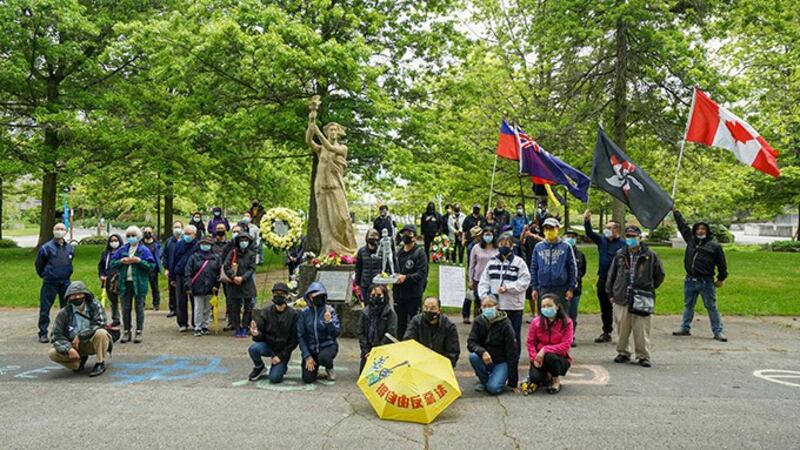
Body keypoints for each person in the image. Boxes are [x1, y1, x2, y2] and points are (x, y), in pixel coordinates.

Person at [607, 225, 665, 368]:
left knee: (641, 328)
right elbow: (612, 274)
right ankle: (623, 352)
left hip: (642, 297)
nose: (630, 239)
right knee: (622, 327)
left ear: (640, 237)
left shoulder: (650, 255)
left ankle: (643, 355)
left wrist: (649, 288)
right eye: (628, 236)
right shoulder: (620, 254)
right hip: (622, 295)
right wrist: (610, 292)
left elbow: (659, 275)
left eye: (633, 236)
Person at [478, 232, 530, 388]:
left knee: (513, 337)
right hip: (495, 307)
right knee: (492, 337)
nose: (503, 247)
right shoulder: (491, 262)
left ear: (512, 246)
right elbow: (484, 281)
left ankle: (512, 366)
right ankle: (494, 367)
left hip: (513, 306)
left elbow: (525, 280)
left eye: (506, 244)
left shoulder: (519, 262)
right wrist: (485, 297)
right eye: (501, 244)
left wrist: (508, 288)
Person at [671, 209, 729, 341]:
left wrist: (721, 279)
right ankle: (685, 328)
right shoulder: (691, 241)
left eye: (703, 229)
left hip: (706, 282)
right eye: (698, 229)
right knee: (688, 305)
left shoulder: (714, 246)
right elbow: (682, 226)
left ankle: (718, 331)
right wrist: (676, 213)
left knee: (711, 306)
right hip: (690, 280)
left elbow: (722, 265)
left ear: (707, 231)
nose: (700, 231)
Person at [48, 281, 110, 377]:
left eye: (79, 294)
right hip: (74, 346)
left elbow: (100, 323)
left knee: (101, 333)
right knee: (52, 353)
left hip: (92, 342)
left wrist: (81, 335)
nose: (77, 297)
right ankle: (77, 363)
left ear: (85, 295)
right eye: (73, 295)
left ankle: (100, 363)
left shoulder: (94, 306)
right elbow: (56, 336)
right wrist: (68, 349)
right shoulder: (64, 313)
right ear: (68, 297)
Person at [583, 210, 626, 343]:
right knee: (604, 306)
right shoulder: (602, 241)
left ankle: (623, 333)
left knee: (619, 306)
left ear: (616, 230)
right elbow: (589, 233)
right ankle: (607, 331)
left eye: (609, 228)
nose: (606, 230)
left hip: (617, 280)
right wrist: (587, 221)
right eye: (606, 228)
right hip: (603, 278)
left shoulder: (623, 245)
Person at [110, 226, 156, 343]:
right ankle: (126, 331)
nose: (131, 238)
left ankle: (139, 331)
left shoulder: (144, 250)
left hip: (139, 283)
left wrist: (139, 261)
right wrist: (121, 261)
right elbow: (112, 263)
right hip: (124, 283)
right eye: (128, 236)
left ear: (138, 236)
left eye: (133, 236)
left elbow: (151, 266)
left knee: (139, 308)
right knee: (125, 308)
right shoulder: (123, 249)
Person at [522, 293, 573, 395]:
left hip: (559, 358)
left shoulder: (567, 322)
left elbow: (566, 345)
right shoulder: (536, 322)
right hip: (539, 357)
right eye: (543, 306)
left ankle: (555, 379)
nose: (546, 309)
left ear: (557, 307)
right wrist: (534, 358)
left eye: (549, 306)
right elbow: (530, 342)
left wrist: (544, 350)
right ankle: (546, 375)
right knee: (535, 378)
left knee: (551, 357)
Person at [248, 282, 299, 383]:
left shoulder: (293, 315)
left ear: (287, 296)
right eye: (276, 293)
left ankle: (282, 366)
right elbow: (261, 335)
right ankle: (259, 367)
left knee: (274, 378)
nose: (278, 296)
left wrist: (280, 356)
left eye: (282, 293)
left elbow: (294, 341)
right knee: (253, 349)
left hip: (283, 350)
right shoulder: (266, 312)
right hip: (269, 346)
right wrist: (256, 334)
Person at [467, 296, 518, 395]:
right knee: (473, 356)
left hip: (501, 361)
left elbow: (512, 351)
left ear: (497, 306)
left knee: (493, 389)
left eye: (490, 306)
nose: (487, 309)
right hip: (486, 359)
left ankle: (488, 381)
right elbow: (471, 342)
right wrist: (482, 352)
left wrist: (513, 382)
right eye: (484, 306)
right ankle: (488, 379)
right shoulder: (478, 321)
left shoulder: (506, 324)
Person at [35, 222, 75, 343]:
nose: (60, 231)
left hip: (65, 282)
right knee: (45, 308)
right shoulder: (46, 248)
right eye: (57, 229)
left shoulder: (70, 248)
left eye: (62, 229)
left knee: (66, 308)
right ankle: (43, 332)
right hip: (50, 282)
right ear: (53, 231)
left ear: (66, 232)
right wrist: (46, 275)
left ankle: (63, 331)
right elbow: (39, 264)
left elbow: (70, 260)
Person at [530, 218, 576, 314]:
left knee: (562, 316)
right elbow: (534, 268)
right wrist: (534, 287)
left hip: (561, 288)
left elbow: (572, 268)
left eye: (551, 228)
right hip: (543, 287)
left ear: (557, 229)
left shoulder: (566, 247)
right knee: (543, 317)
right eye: (546, 229)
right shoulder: (538, 247)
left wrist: (571, 288)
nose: (548, 231)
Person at [297, 282, 340, 383]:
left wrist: (328, 322)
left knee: (324, 357)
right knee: (307, 379)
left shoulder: (330, 310)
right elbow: (301, 336)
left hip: (327, 346)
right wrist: (307, 356)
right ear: (309, 298)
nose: (317, 299)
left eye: (320, 296)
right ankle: (315, 369)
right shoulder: (304, 313)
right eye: (314, 296)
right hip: (312, 349)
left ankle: (329, 368)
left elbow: (335, 333)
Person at [393, 224, 429, 339]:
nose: (406, 235)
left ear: (415, 236)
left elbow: (421, 274)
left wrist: (406, 278)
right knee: (400, 323)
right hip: (399, 295)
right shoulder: (398, 253)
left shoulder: (419, 253)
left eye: (409, 233)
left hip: (413, 295)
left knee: (416, 323)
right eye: (404, 233)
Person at [403, 297, 460, 367]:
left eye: (432, 308)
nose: (428, 310)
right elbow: (408, 342)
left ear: (439, 310)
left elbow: (453, 352)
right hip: (419, 362)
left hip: (440, 364)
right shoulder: (416, 322)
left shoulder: (449, 326)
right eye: (426, 308)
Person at [184, 236, 222, 336]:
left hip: (211, 287)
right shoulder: (194, 257)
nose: (205, 246)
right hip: (197, 286)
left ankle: (205, 325)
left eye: (208, 244)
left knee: (208, 308)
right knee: (198, 308)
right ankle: (197, 326)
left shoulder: (216, 258)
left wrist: (216, 285)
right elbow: (188, 272)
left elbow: (219, 273)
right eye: (203, 244)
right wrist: (188, 286)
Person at [224, 232, 258, 338]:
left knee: (248, 307)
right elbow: (226, 266)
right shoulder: (232, 252)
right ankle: (237, 327)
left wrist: (243, 278)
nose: (244, 243)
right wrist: (233, 277)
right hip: (234, 284)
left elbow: (252, 268)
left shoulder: (252, 254)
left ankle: (245, 327)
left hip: (247, 284)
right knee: (235, 307)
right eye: (242, 240)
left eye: (246, 240)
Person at [358, 285, 398, 371]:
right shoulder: (365, 312)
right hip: (368, 351)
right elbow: (361, 333)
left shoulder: (390, 314)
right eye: (373, 295)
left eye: (379, 295)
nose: (375, 297)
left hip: (384, 351)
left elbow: (390, 334)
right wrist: (366, 350)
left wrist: (377, 351)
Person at [465, 227, 497, 323]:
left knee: (492, 302)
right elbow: (471, 265)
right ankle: (478, 323)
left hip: (493, 279)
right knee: (478, 302)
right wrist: (470, 280)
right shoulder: (476, 248)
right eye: (486, 234)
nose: (488, 236)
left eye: (490, 234)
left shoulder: (497, 248)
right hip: (478, 279)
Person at [171, 224, 199, 331]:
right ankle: (182, 323)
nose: (186, 236)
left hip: (194, 276)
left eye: (189, 234)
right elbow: (173, 260)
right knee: (181, 300)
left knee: (194, 300)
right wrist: (172, 276)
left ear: (195, 235)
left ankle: (195, 322)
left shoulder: (198, 245)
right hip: (180, 275)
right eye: (185, 234)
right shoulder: (179, 244)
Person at [564, 229, 587, 346]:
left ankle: (570, 336)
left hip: (576, 290)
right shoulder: (561, 252)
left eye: (573, 237)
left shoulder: (580, 255)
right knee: (562, 313)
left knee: (572, 314)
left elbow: (582, 271)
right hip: (562, 289)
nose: (571, 238)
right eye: (568, 236)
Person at [355, 229, 389, 301]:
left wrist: (386, 282)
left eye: (376, 235)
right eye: (371, 235)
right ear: (367, 237)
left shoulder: (382, 251)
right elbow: (358, 268)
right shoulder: (361, 251)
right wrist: (357, 284)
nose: (374, 237)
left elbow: (386, 267)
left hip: (379, 284)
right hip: (365, 283)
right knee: (367, 305)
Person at [97, 234, 122, 326]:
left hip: (120, 279)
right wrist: (102, 275)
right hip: (108, 279)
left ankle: (127, 320)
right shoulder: (105, 253)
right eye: (112, 241)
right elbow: (101, 266)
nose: (114, 242)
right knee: (113, 300)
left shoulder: (123, 252)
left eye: (116, 240)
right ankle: (116, 319)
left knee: (123, 300)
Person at [162, 221, 183, 318]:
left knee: (182, 292)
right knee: (172, 290)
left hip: (182, 270)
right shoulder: (169, 241)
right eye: (175, 227)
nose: (177, 229)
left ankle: (181, 310)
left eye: (179, 227)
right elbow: (164, 255)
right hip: (171, 269)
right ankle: (173, 308)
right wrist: (166, 268)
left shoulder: (184, 240)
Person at [141, 226, 162, 311]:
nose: (147, 234)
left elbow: (159, 255)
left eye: (149, 232)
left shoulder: (156, 244)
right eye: (146, 232)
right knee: (142, 287)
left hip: (153, 269)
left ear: (152, 233)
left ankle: (156, 304)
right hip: (142, 268)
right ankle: (141, 304)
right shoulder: (140, 243)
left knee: (154, 287)